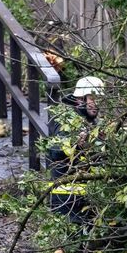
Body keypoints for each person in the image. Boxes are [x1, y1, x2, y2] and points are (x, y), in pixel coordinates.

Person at [47, 76, 104, 223]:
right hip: (66, 198)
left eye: (99, 100)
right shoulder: (66, 119)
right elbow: (55, 151)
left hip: (87, 196)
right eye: (93, 99)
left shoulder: (92, 122)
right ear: (80, 100)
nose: (97, 104)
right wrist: (76, 145)